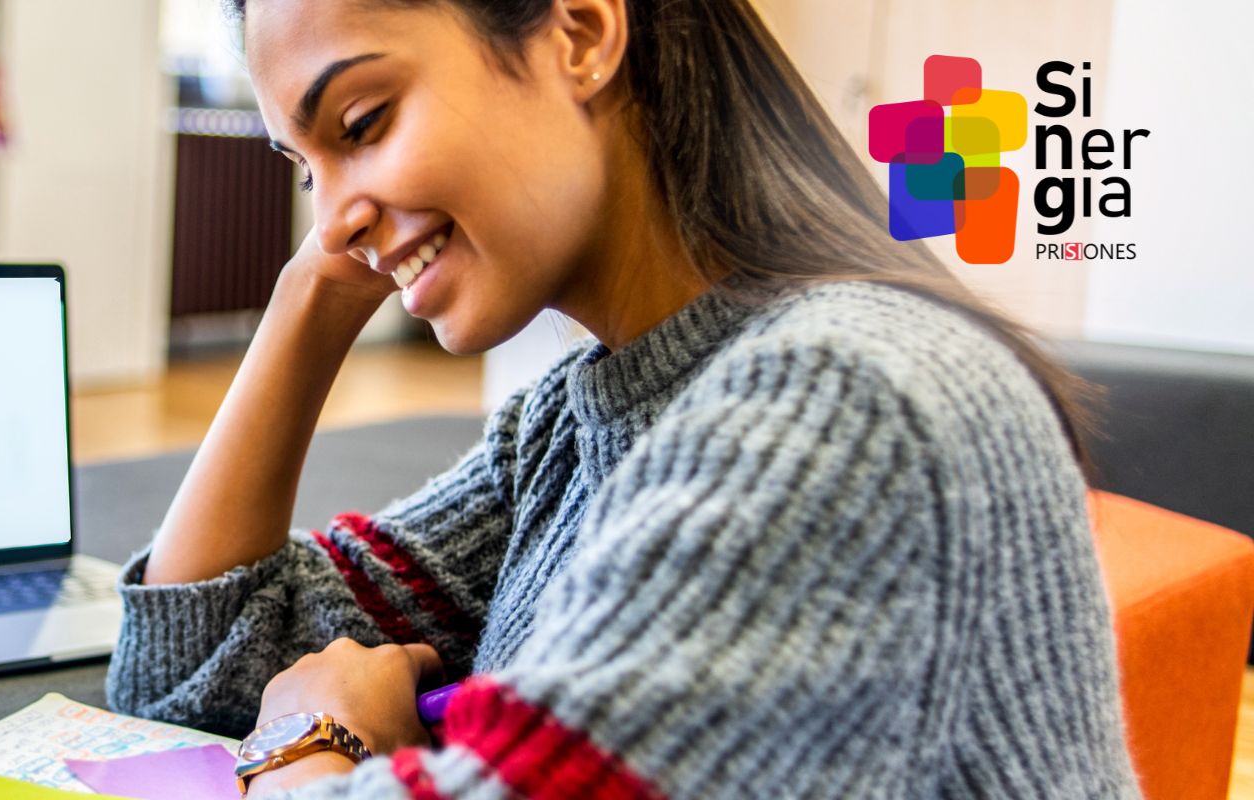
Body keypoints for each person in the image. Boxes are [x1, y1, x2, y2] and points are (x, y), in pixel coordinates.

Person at [106, 0, 1142, 796]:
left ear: (583, 33)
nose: (334, 217)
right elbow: (194, 671)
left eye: (363, 121)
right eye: (301, 171)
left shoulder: (847, 402)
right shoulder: (574, 421)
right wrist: (310, 296)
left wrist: (312, 749)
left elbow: (269, 717)